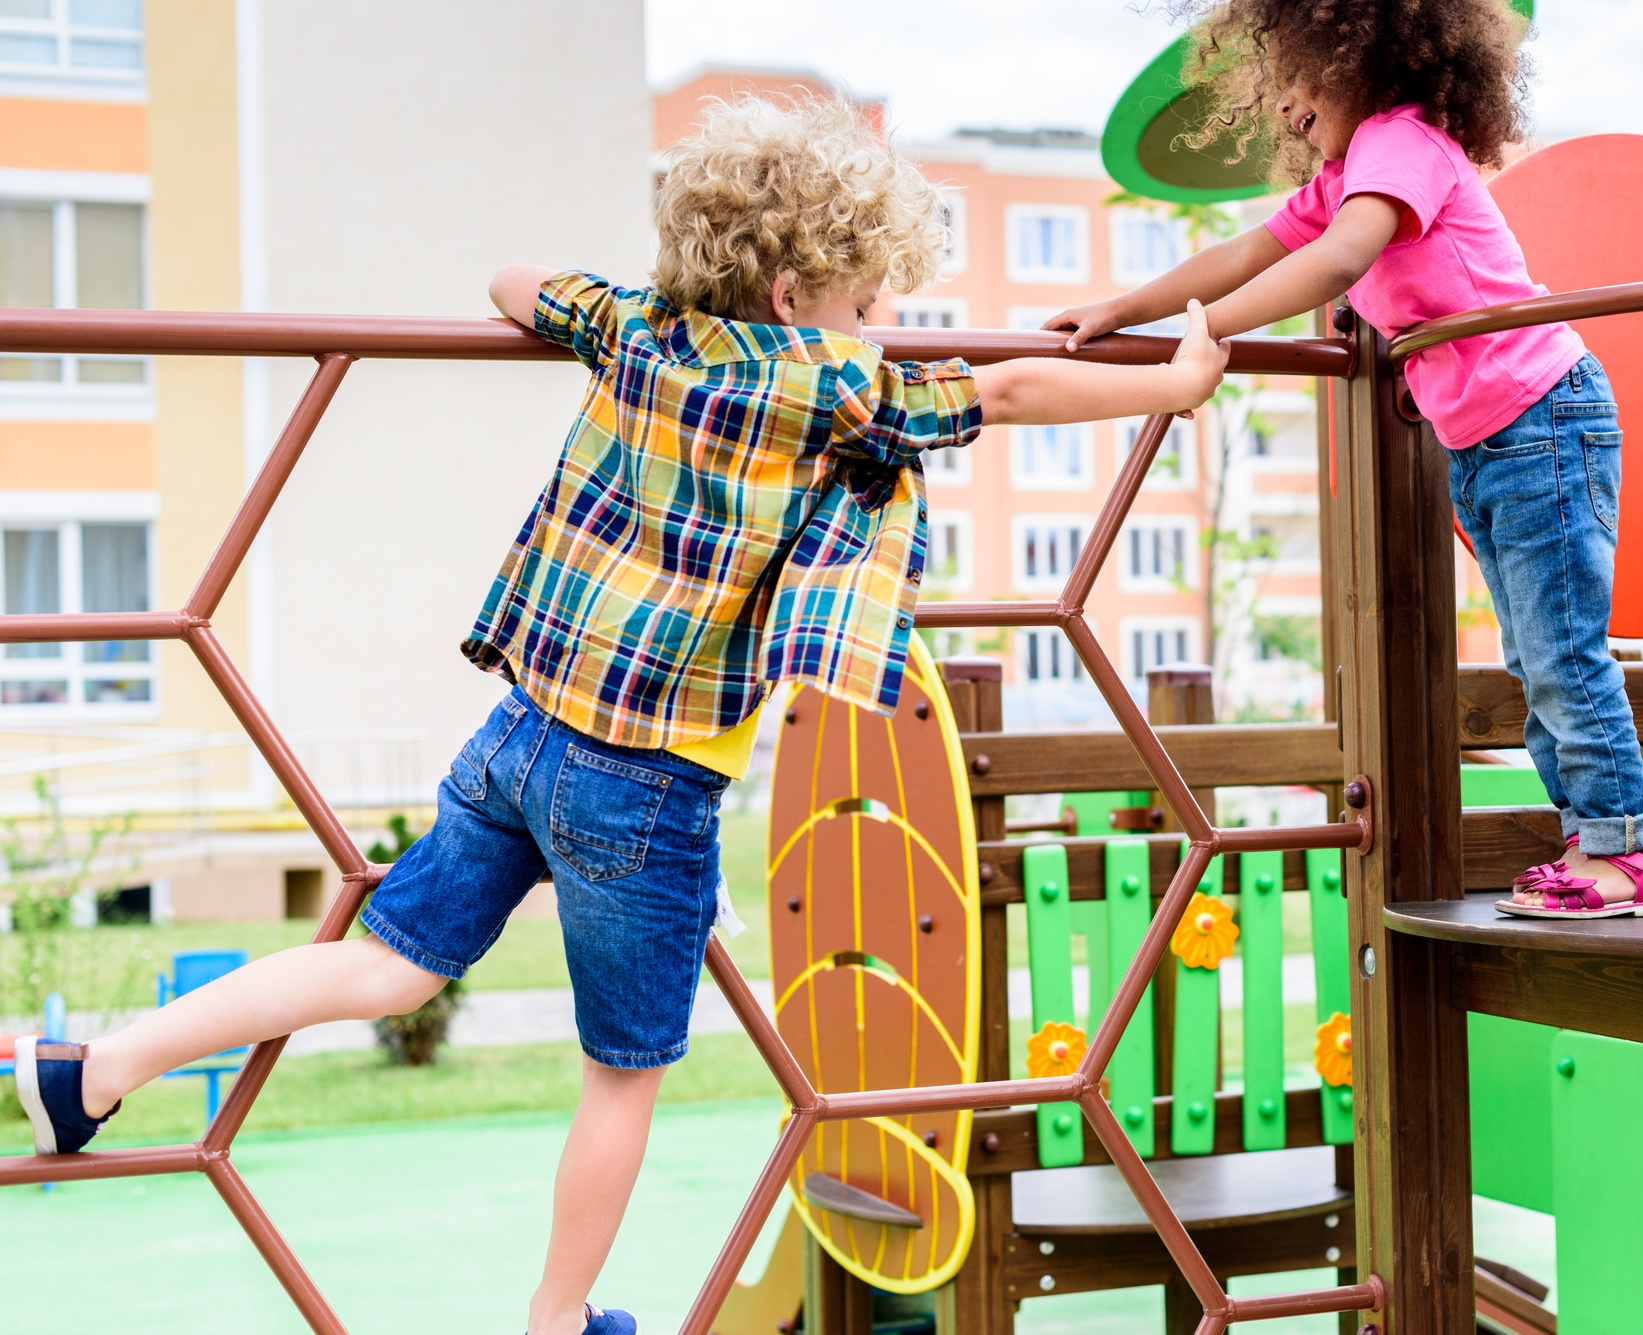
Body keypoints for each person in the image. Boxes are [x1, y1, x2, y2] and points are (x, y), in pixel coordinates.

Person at [13, 96, 1229, 1335]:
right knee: (623, 1075)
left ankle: (99, 1070)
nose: (886, 323)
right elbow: (1012, 391)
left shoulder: (635, 329)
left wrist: (601, 296)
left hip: (517, 740)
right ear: (802, 286)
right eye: (871, 297)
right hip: (648, 789)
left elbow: (511, 283)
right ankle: (557, 1318)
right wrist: (1177, 385)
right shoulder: (844, 388)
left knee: (382, 968)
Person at [1046, 0, 1643, 920]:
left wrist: (1204, 333)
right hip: (1493, 439)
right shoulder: (1347, 173)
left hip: (1543, 419)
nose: (1288, 103)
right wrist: (1121, 310)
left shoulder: (1400, 140)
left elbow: (1340, 261)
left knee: (1560, 654)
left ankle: (1626, 852)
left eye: (1300, 75)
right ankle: (1595, 843)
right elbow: (1244, 250)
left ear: (1361, 59)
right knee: (1536, 658)